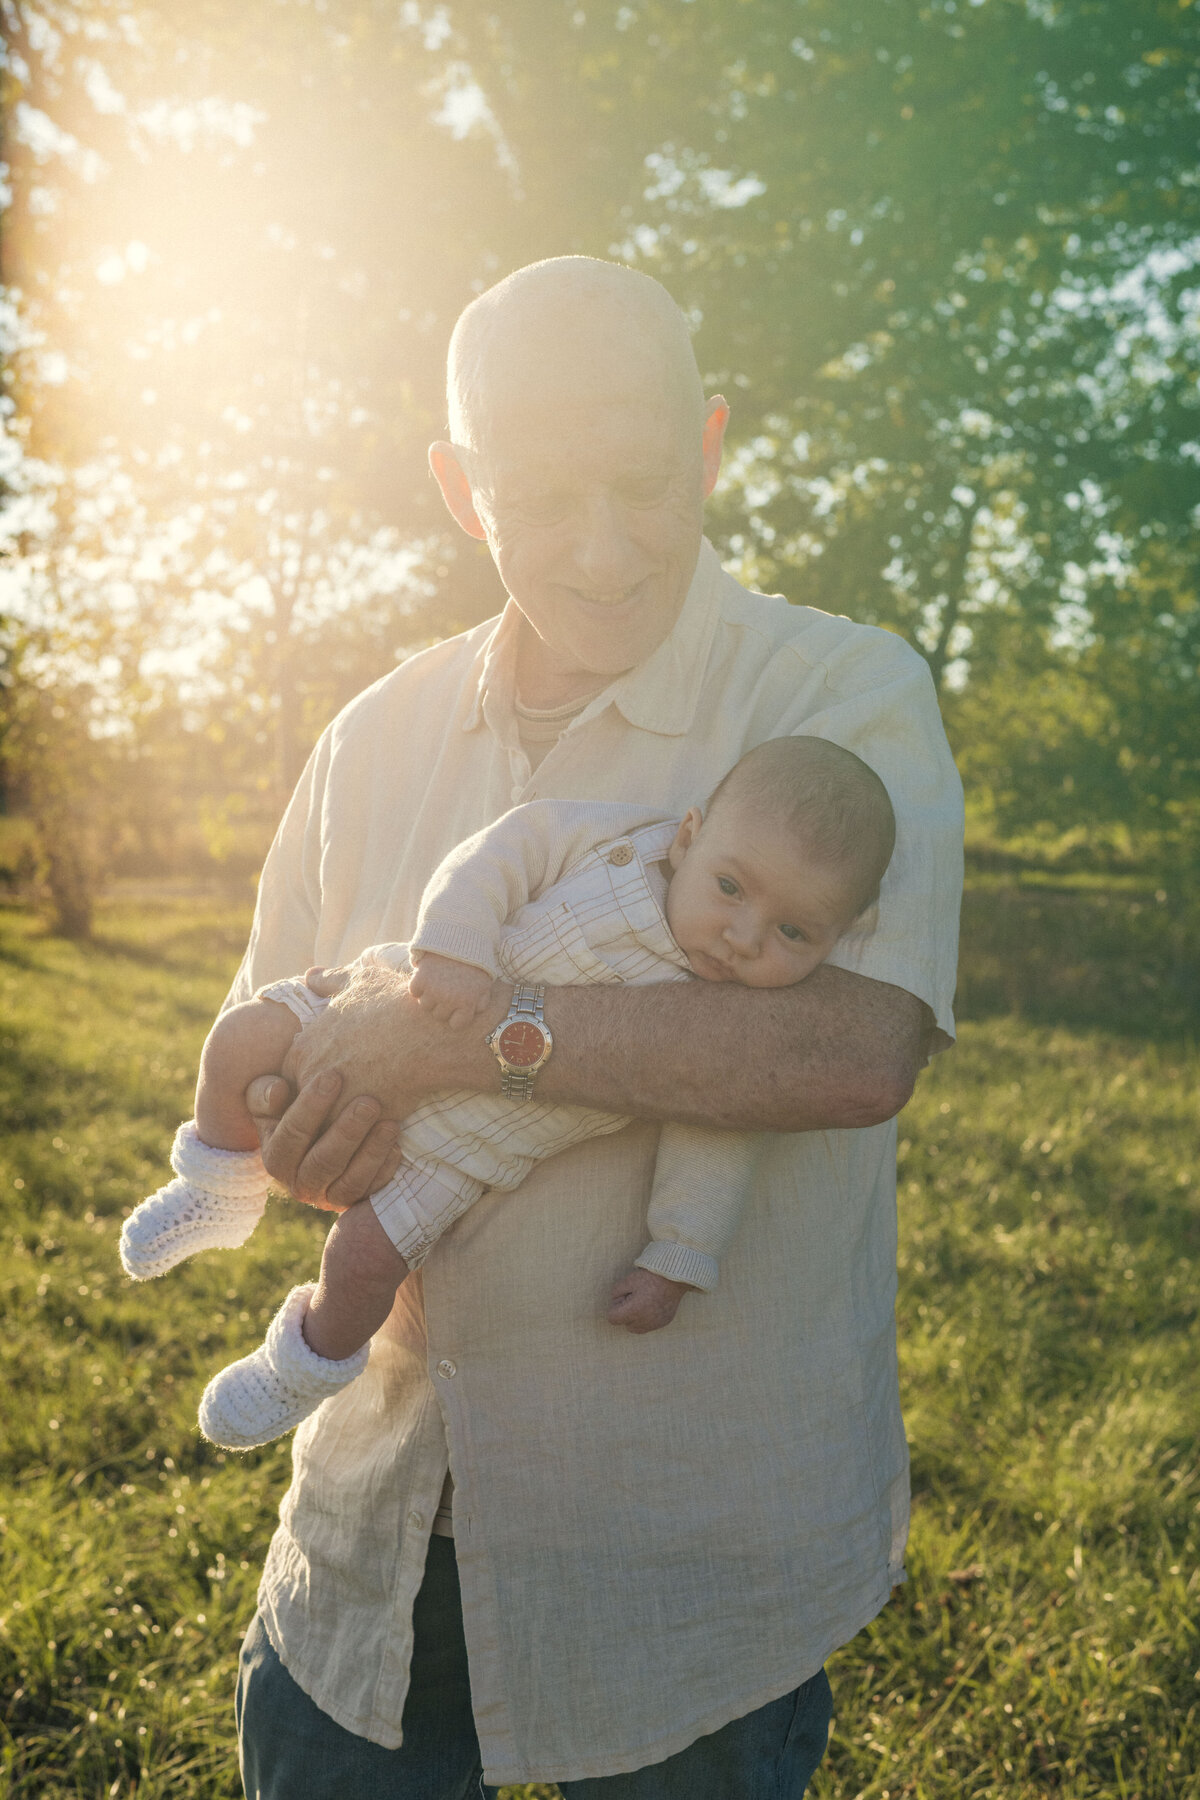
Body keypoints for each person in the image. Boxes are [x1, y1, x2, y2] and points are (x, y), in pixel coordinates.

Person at [220, 256, 962, 1797]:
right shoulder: (373, 737)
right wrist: (311, 1128)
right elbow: (273, 1077)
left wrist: (480, 1037)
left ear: (708, 446)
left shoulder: (839, 695)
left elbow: (853, 1050)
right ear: (459, 488)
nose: (606, 545)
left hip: (692, 1580)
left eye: (644, 481)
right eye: (544, 495)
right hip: (375, 1552)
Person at [120, 735, 896, 1450]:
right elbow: (505, 850)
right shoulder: (616, 845)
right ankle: (218, 1186)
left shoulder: (732, 1020)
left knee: (360, 1264)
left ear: (838, 937)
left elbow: (721, 1134)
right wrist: (455, 942)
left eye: (794, 933)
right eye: (730, 887)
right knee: (240, 1039)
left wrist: (678, 1255)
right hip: (397, 1001)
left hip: (462, 1155)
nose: (745, 936)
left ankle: (302, 1364)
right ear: (688, 837)